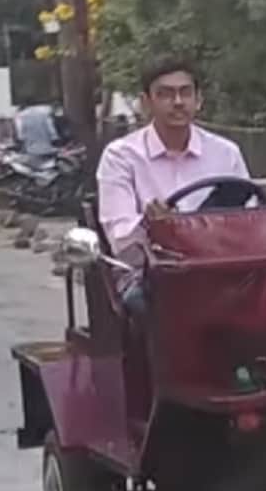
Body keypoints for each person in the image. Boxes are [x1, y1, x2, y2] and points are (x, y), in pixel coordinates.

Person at [96, 58, 250, 314]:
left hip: (219, 267)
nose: (178, 102)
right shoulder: (121, 156)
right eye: (165, 94)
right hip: (147, 275)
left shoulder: (226, 153)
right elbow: (121, 238)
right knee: (169, 302)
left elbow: (249, 221)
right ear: (146, 103)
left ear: (198, 100)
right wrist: (153, 226)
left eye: (185, 93)